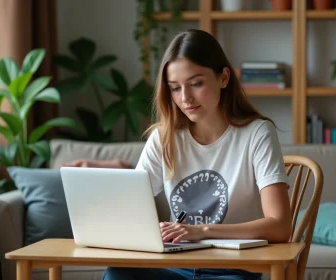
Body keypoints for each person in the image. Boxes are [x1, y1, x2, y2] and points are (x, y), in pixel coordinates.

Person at [65, 29, 292, 280]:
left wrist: (201, 231)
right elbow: (129, 209)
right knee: (117, 275)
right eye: (175, 88)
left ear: (224, 77)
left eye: (196, 84)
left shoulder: (257, 133)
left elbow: (280, 226)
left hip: (233, 271)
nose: (185, 98)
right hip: (175, 267)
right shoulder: (164, 138)